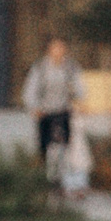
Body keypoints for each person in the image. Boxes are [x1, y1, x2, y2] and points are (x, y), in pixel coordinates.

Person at [22, 36, 83, 176]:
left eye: (61, 48)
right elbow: (30, 89)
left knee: (64, 144)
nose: (58, 51)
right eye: (55, 48)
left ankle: (62, 175)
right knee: (44, 146)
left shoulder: (70, 67)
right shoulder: (40, 67)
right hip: (45, 111)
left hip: (62, 110)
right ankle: (44, 175)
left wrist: (79, 99)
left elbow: (79, 87)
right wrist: (34, 107)